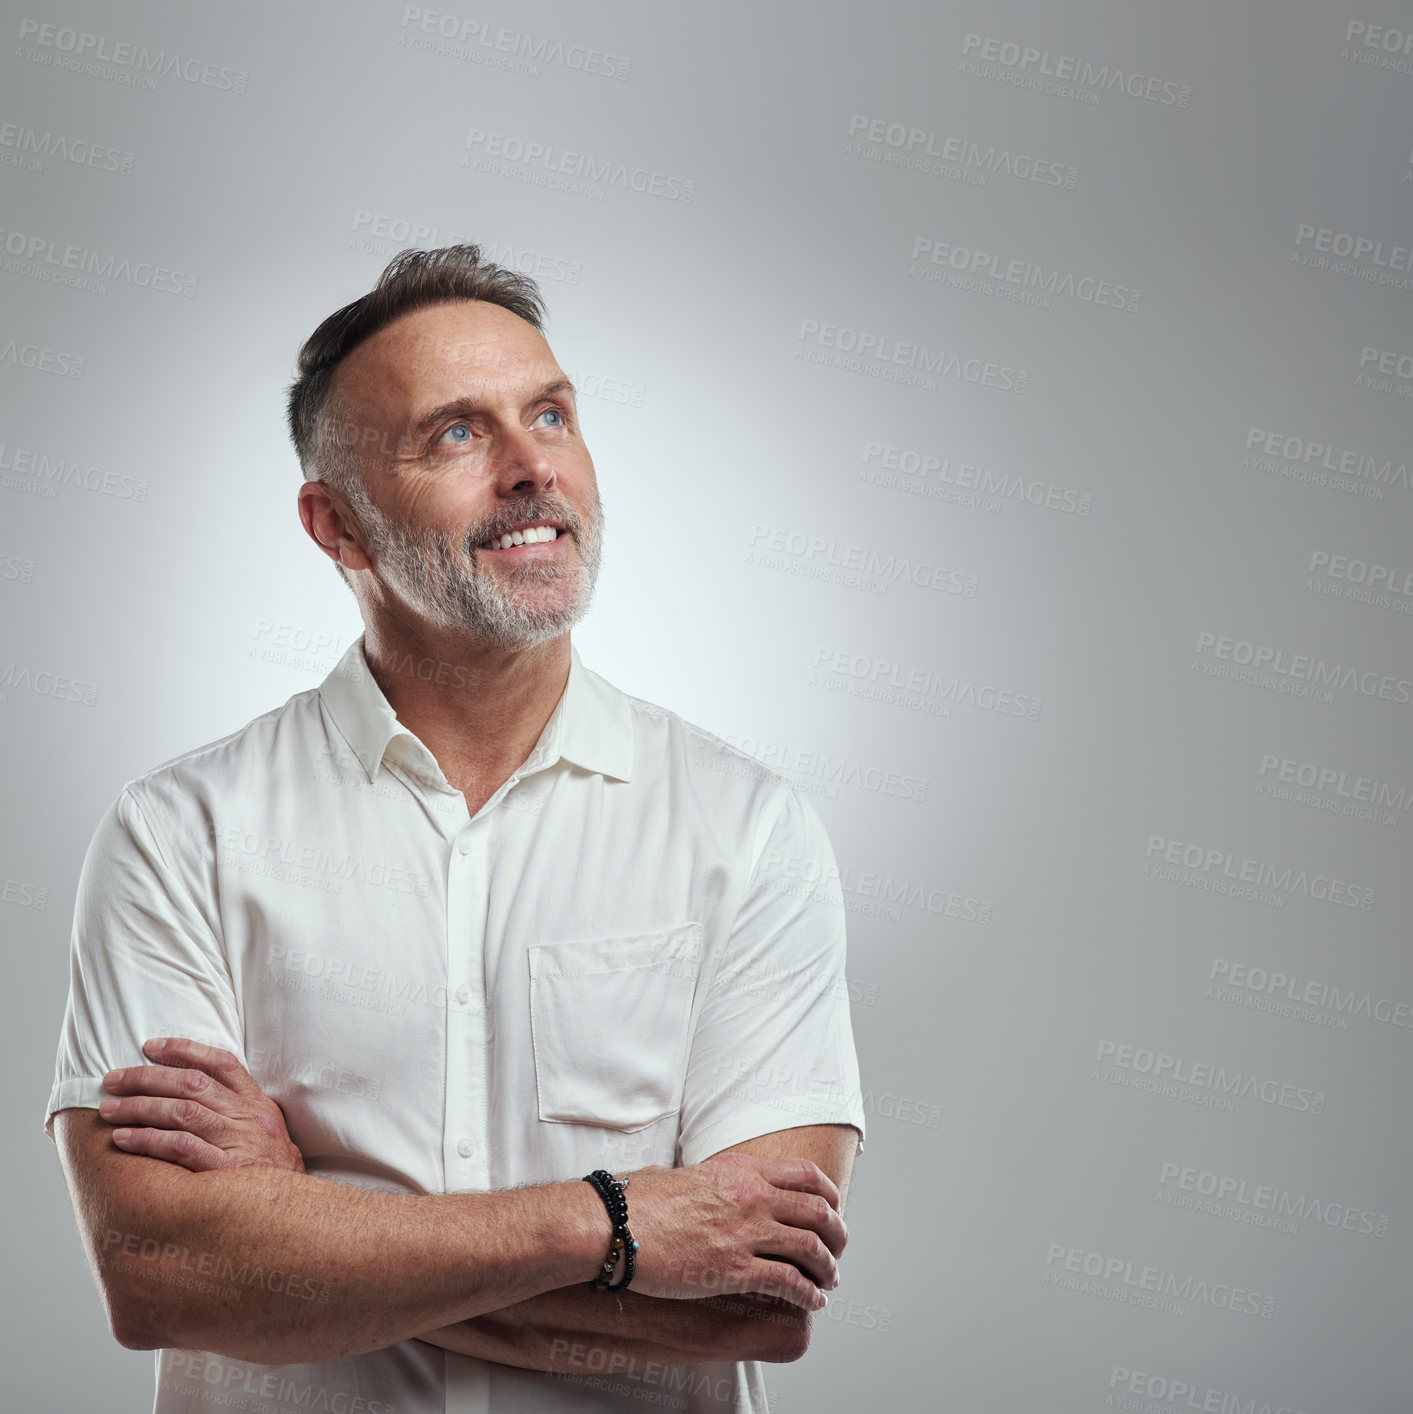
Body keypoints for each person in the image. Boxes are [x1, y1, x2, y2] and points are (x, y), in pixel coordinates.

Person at [44, 244, 865, 1413]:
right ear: (338, 528)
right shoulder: (179, 835)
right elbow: (161, 1275)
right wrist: (617, 1223)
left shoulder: (748, 830)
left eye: (551, 414)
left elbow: (755, 1303)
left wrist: (303, 1223)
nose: (534, 468)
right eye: (458, 434)